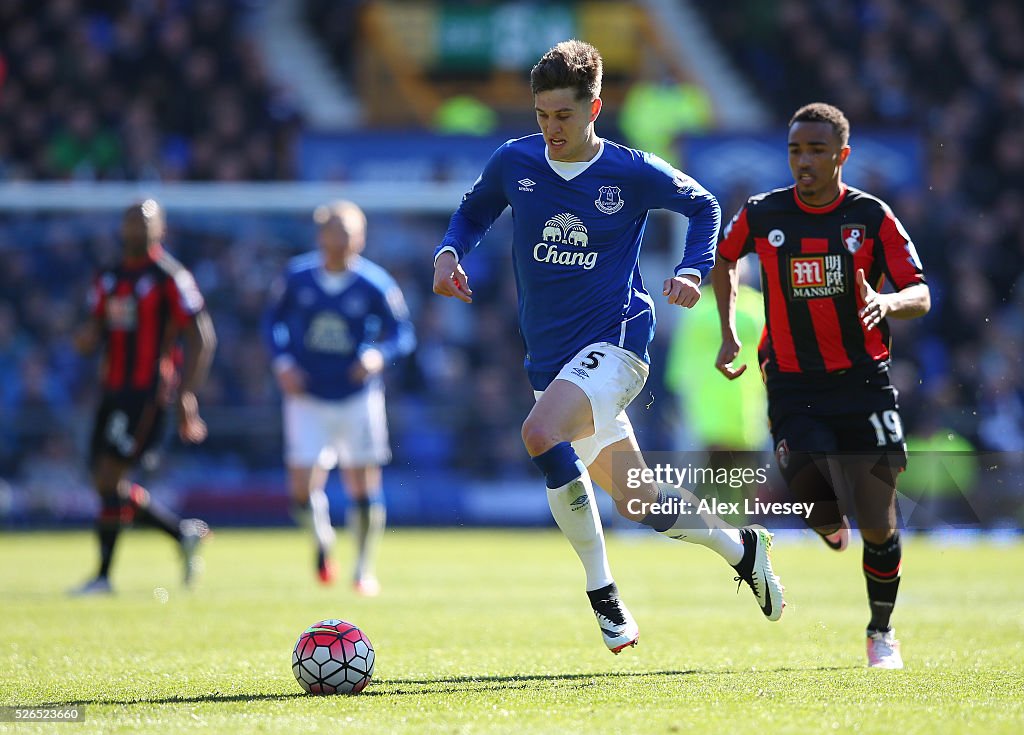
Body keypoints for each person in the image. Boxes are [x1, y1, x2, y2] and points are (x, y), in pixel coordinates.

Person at [433, 40, 785, 655]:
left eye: (563, 116)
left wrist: (694, 268)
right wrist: (448, 252)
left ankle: (604, 597)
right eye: (541, 116)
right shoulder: (515, 161)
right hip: (552, 361)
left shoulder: (629, 171)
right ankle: (743, 548)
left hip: (618, 344)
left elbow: (702, 205)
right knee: (641, 500)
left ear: (594, 108)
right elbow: (474, 210)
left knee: (539, 434)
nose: (550, 129)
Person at [712, 103, 931, 669]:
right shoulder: (763, 213)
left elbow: (921, 292)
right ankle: (829, 523)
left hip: (863, 380)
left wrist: (886, 301)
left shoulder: (872, 217)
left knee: (881, 523)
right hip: (792, 378)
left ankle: (881, 633)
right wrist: (729, 331)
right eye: (794, 151)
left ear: (842, 155)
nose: (803, 161)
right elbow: (725, 256)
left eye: (815, 150)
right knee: (811, 489)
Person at [264, 200, 415, 595]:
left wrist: (377, 356)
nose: (341, 241)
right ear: (321, 236)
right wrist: (282, 362)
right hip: (307, 394)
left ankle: (363, 569)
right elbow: (272, 321)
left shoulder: (375, 283)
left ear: (361, 238)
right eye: (334, 233)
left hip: (356, 396)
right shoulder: (297, 278)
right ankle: (322, 538)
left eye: (349, 234)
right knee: (301, 487)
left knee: (363, 480)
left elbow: (402, 333)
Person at [72, 200, 216, 595]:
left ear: (161, 230)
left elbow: (202, 338)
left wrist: (187, 395)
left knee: (109, 476)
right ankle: (181, 533)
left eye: (145, 222)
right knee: (106, 483)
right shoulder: (109, 277)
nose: (136, 229)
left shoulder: (170, 276)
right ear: (121, 228)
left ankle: (103, 577)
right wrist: (85, 339)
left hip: (146, 392)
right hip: (112, 390)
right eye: (131, 221)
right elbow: (93, 330)